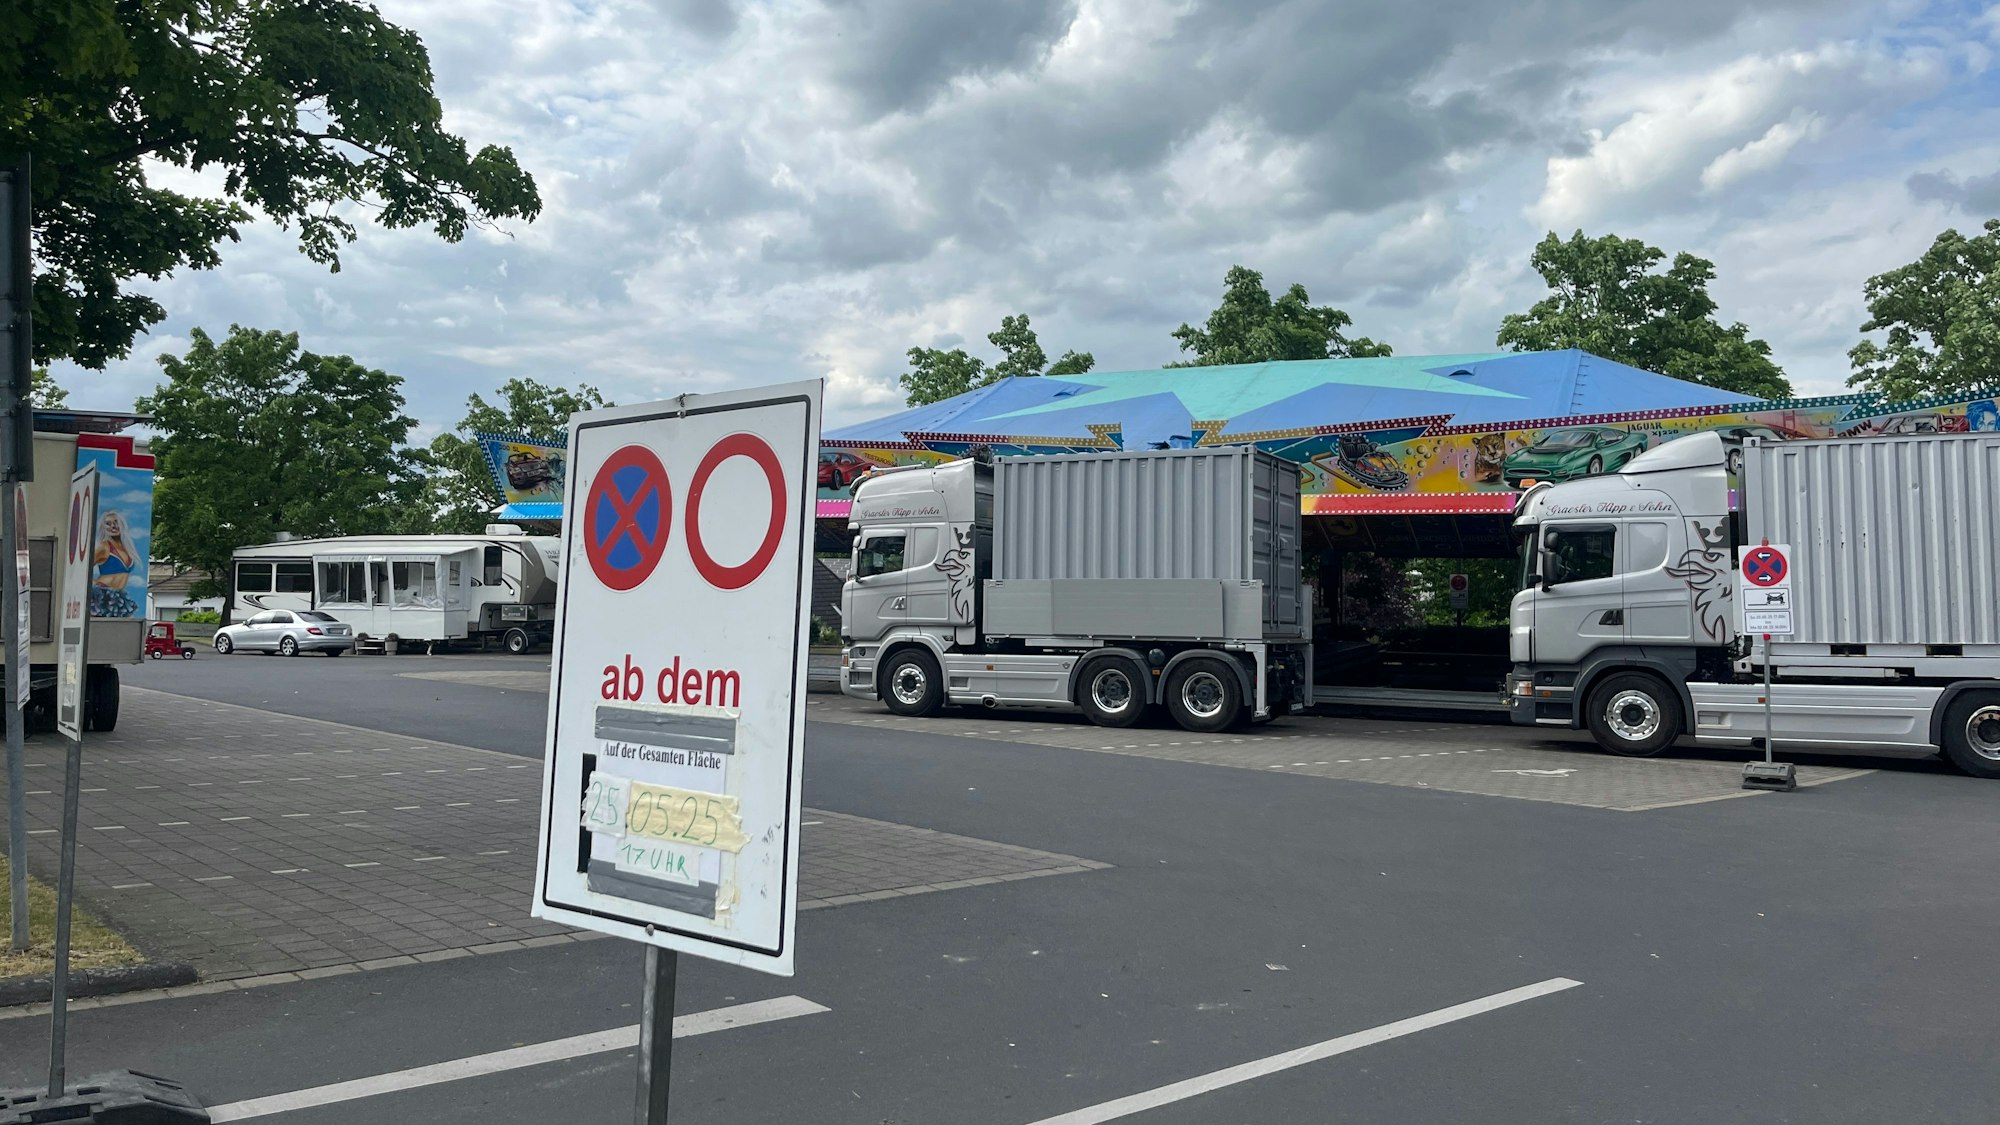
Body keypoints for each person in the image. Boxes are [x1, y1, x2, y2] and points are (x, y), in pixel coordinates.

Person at [91, 509, 140, 617]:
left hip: (119, 596)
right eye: (108, 524)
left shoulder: (127, 548)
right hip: (104, 594)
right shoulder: (104, 547)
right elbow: (84, 568)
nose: (113, 526)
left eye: (116, 522)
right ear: (103, 528)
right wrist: (94, 585)